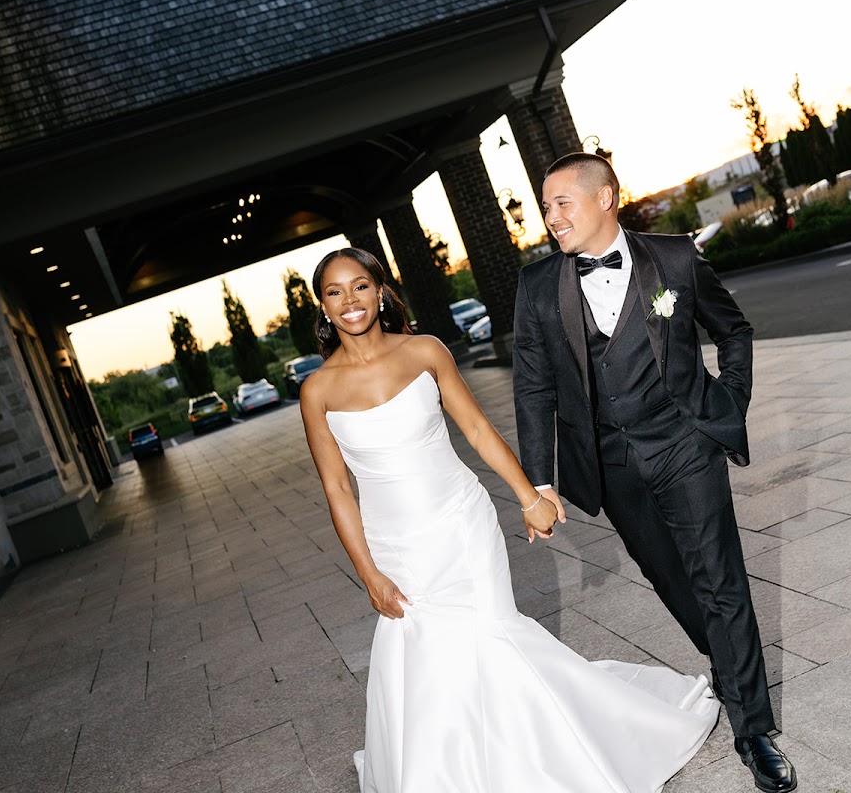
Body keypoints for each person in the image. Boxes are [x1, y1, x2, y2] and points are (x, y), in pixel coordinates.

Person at [300, 246, 720, 792]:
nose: (349, 300)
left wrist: (528, 495)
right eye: (334, 292)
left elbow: (477, 430)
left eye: (359, 285)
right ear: (323, 306)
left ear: (380, 291)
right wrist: (368, 574)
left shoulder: (425, 351)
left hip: (460, 522)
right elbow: (337, 489)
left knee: (492, 636)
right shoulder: (317, 391)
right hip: (396, 546)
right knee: (426, 661)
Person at [511, 153, 797, 793]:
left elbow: (733, 330)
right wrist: (540, 482)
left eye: (562, 203)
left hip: (684, 445)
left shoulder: (674, 258)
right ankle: (726, 660)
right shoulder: (537, 287)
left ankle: (753, 729)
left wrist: (729, 402)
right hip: (609, 464)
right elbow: (533, 388)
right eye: (546, 206)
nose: (551, 217)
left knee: (720, 580)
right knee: (670, 577)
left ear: (605, 198)